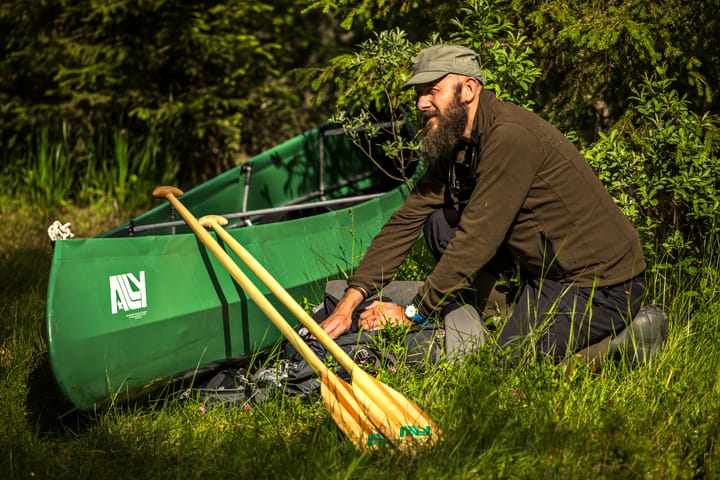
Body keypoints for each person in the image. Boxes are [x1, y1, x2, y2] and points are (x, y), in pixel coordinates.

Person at [317, 44, 653, 365]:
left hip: (598, 283)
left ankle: (628, 339)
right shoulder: (460, 143)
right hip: (541, 271)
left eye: (432, 91)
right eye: (419, 93)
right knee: (439, 222)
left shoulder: (509, 136)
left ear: (468, 89)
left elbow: (478, 239)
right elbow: (408, 219)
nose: (421, 103)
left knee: (500, 367)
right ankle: (505, 312)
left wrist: (413, 312)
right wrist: (351, 300)